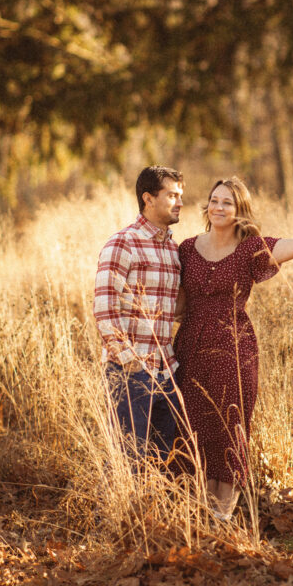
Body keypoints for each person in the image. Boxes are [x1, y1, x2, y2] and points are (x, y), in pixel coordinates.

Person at [174, 171, 293, 519]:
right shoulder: (187, 248)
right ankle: (202, 518)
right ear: (207, 205)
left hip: (234, 350)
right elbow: (177, 304)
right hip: (189, 348)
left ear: (239, 210)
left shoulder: (251, 248)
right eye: (214, 200)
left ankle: (222, 519)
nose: (218, 207)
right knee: (194, 429)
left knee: (230, 431)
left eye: (227, 202)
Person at [94, 166, 184, 468]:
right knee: (125, 463)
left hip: (166, 373)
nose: (180, 202)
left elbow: (174, 309)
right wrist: (129, 360)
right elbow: (105, 308)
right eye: (172, 195)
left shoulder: (173, 248)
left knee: (160, 466)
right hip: (131, 371)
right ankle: (114, 517)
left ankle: (150, 517)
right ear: (148, 198)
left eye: (181, 195)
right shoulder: (123, 242)